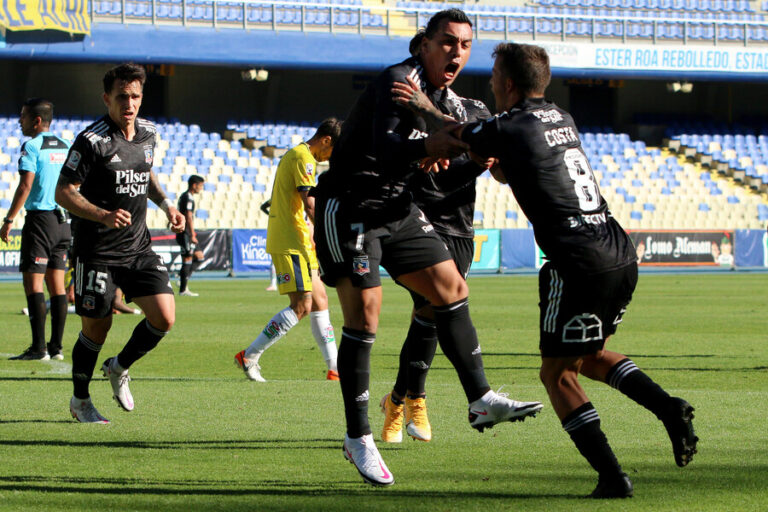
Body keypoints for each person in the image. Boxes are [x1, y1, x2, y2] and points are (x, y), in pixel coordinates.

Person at [435, 42, 697, 497]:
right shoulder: (561, 118)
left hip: (577, 261)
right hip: (618, 250)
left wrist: (422, 103)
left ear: (509, 83)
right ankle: (669, 408)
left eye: (495, 74)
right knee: (589, 358)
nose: (491, 81)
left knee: (557, 375)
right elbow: (512, 167)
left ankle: (613, 478)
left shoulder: (510, 124)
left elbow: (462, 135)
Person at [311, 9, 542, 487]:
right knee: (366, 315)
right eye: (448, 42)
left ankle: (479, 399)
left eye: (465, 45)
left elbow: (442, 147)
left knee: (450, 287)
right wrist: (429, 147)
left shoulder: (440, 97)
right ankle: (358, 438)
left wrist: (438, 147)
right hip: (350, 204)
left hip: (395, 206)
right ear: (424, 45)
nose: (456, 51)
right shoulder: (400, 80)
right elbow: (387, 147)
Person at [379, 30, 495, 444]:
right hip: (420, 223)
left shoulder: (475, 109)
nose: (454, 55)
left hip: (461, 225)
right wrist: (421, 155)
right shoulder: (405, 108)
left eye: (463, 47)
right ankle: (415, 400)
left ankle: (397, 399)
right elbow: (391, 157)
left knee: (427, 319)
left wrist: (485, 159)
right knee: (429, 310)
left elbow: (493, 160)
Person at [55, 63, 186, 424]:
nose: (129, 104)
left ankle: (119, 367)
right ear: (106, 99)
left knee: (164, 317)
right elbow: (63, 191)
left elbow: (146, 172)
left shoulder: (149, 133)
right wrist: (102, 214)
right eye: (121, 97)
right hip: (96, 251)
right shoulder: (91, 140)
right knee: (97, 328)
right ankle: (80, 401)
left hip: (138, 248)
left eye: (135, 96)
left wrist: (168, 205)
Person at [234, 119, 342, 382]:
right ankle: (250, 355)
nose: (331, 157)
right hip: (291, 240)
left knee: (320, 301)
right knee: (301, 306)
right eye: (332, 150)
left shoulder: (297, 155)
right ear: (326, 140)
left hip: (299, 240)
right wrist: (330, 234)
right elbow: (310, 204)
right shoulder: (304, 158)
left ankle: (335, 369)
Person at [1, 98, 71, 361]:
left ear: (37, 120)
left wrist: (9, 220)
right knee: (58, 286)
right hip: (63, 222)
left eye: (23, 116)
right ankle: (57, 348)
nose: (20, 121)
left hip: (40, 221)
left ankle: (38, 348)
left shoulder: (31, 146)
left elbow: (25, 186)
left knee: (33, 285)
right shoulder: (66, 146)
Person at [176, 174, 205, 296]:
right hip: (185, 233)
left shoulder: (187, 197)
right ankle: (183, 289)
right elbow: (188, 216)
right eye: (200, 185)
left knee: (199, 257)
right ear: (194, 185)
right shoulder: (187, 197)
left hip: (187, 233)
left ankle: (183, 277)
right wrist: (192, 234)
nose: (201, 188)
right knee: (187, 258)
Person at [261, 199, 278, 291]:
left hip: (279, 229)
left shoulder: (275, 199)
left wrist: (271, 216)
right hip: (299, 231)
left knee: (274, 260)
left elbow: (263, 207)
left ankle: (274, 283)